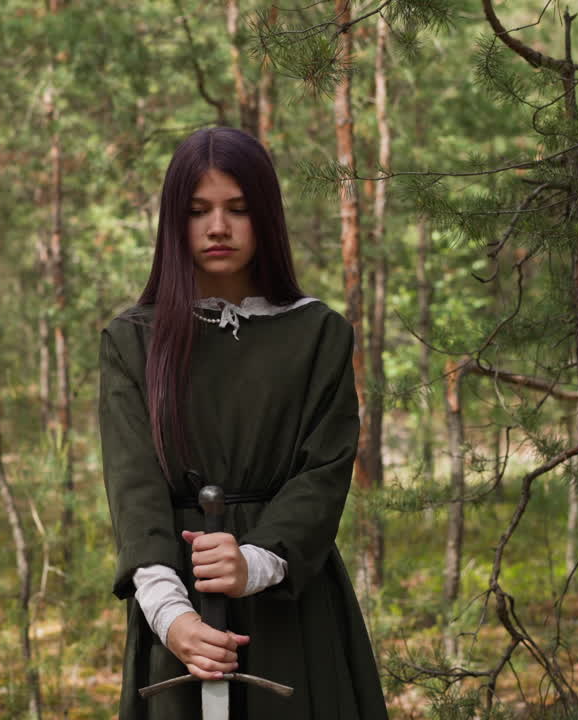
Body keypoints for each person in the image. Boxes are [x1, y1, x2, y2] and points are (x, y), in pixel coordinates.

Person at [98, 126, 389, 720]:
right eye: (198, 211)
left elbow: (324, 472)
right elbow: (134, 486)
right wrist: (172, 616)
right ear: (173, 223)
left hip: (290, 601)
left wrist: (256, 561)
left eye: (238, 208)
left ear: (266, 218)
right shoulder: (134, 340)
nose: (218, 227)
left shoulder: (316, 334)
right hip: (177, 598)